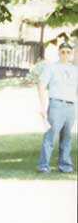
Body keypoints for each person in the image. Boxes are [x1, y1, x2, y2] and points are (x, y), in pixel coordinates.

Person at [36, 44, 75, 173]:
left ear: (71, 54)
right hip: (56, 105)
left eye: (68, 52)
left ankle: (65, 166)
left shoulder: (75, 70)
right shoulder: (51, 68)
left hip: (71, 106)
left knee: (67, 138)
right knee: (50, 136)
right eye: (63, 52)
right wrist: (42, 106)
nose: (65, 54)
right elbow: (41, 85)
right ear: (59, 53)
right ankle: (43, 166)